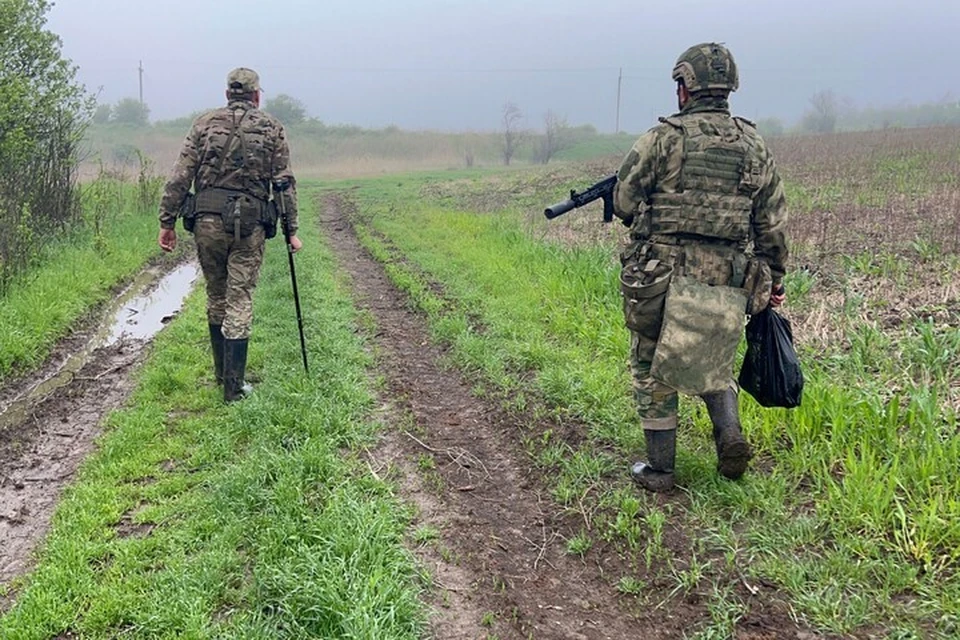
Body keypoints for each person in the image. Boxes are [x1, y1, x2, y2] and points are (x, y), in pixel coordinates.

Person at [613, 43, 789, 492]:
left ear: (684, 88)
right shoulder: (754, 145)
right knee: (713, 360)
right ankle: (728, 434)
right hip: (727, 276)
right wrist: (775, 280)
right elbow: (771, 222)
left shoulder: (662, 139)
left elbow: (625, 202)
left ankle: (660, 470)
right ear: (728, 88)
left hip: (662, 274)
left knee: (652, 363)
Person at [157, 67, 301, 402]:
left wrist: (167, 221)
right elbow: (283, 183)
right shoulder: (272, 128)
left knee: (216, 295)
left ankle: (222, 376)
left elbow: (180, 175)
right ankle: (233, 388)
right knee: (240, 298)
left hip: (206, 223)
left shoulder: (203, 124)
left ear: (227, 94)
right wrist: (291, 229)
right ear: (256, 95)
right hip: (249, 225)